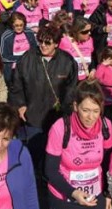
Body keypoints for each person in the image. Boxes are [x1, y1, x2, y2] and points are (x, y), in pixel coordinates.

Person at [45, 82, 112, 209]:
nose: (91, 117)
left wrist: (109, 193)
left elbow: (110, 163)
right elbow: (50, 170)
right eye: (86, 110)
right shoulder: (60, 128)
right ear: (75, 106)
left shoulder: (106, 126)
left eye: (96, 111)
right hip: (65, 198)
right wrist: (74, 193)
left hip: (94, 196)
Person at [10, 24, 78, 171]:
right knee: (32, 156)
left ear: (56, 43)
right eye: (40, 41)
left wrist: (67, 112)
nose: (43, 45)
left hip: (57, 118)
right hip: (33, 116)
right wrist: (20, 105)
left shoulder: (68, 61)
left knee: (55, 157)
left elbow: (71, 89)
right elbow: (16, 85)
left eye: (48, 42)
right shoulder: (27, 58)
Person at [0, 12, 38, 87]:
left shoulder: (29, 32)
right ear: (12, 24)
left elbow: (35, 49)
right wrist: (21, 58)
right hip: (14, 69)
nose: (19, 27)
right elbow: (3, 56)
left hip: (29, 67)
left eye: (21, 25)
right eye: (16, 25)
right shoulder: (6, 36)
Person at [58, 16, 95, 82]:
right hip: (71, 82)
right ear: (76, 31)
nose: (89, 33)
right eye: (85, 32)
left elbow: (92, 58)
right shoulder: (65, 42)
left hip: (85, 80)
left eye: (90, 30)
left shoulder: (90, 40)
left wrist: (93, 69)